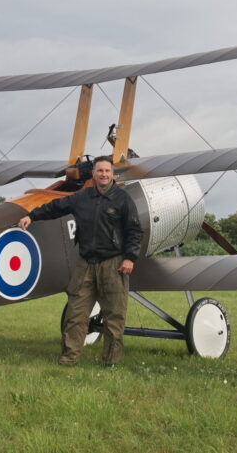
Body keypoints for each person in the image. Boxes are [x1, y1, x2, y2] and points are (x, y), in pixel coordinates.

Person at [17, 155, 142, 366]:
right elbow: (56, 206)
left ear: (112, 174)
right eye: (99, 170)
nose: (103, 174)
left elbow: (134, 230)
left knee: (114, 316)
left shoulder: (122, 199)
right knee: (76, 314)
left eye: (107, 171)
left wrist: (130, 258)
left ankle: (110, 362)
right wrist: (33, 215)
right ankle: (69, 358)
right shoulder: (82, 197)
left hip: (113, 264)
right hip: (85, 263)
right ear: (93, 174)